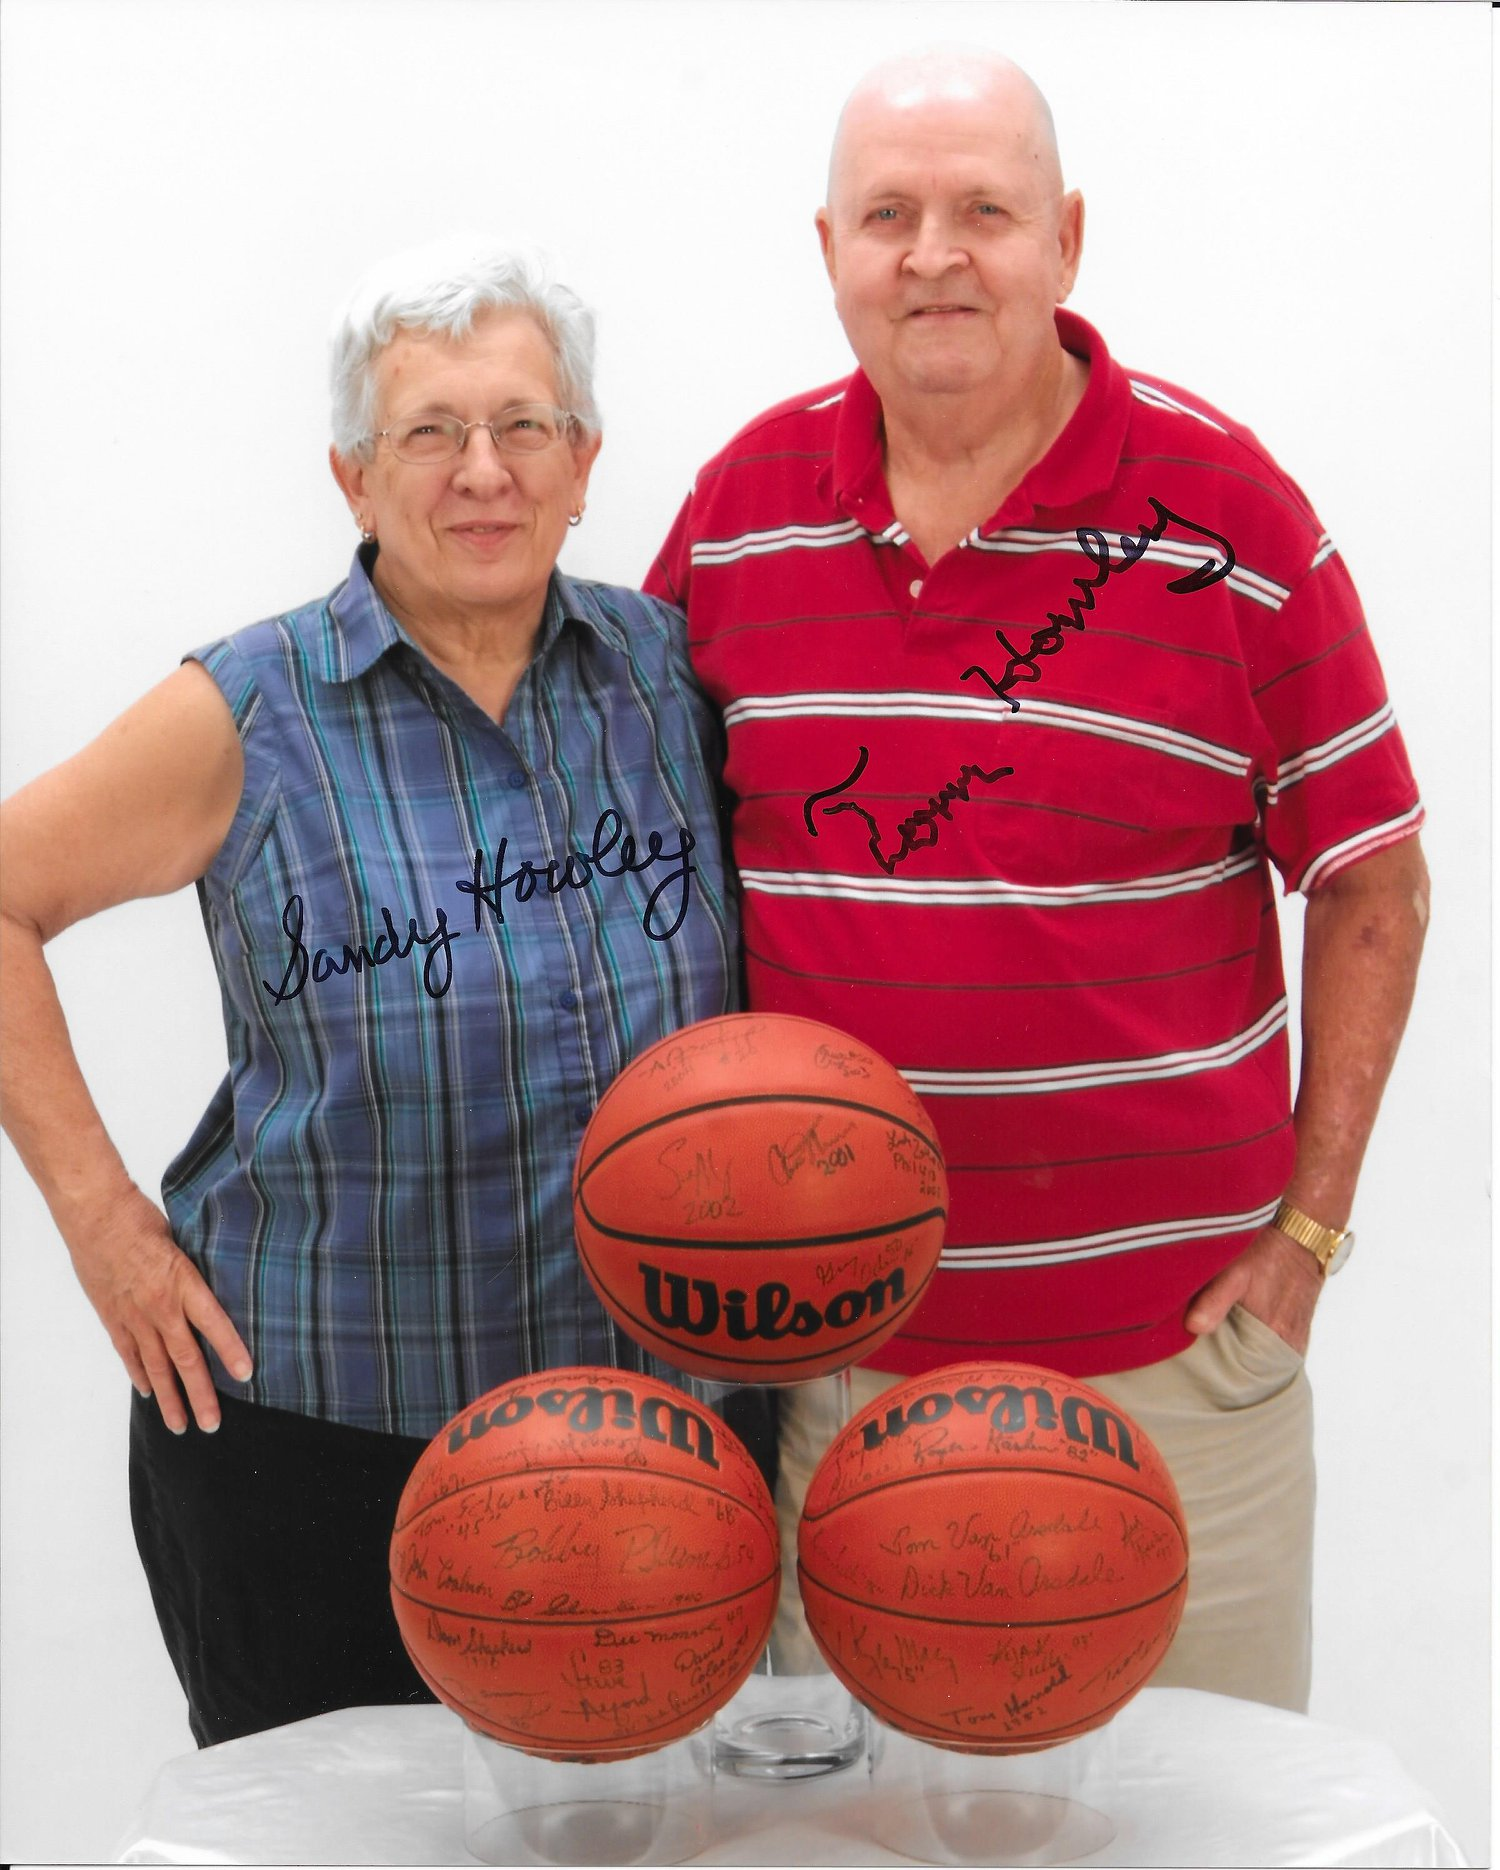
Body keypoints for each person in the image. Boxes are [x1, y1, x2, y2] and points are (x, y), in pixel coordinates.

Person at [645, 50, 1429, 1712]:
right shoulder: (735, 521)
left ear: (1067, 238)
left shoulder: (1232, 516)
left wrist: (1308, 1237)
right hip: (843, 1375)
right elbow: (644, 848)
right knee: (854, 1840)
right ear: (829, 249)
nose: (936, 254)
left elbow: (1375, 879)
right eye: (890, 216)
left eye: (985, 211)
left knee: (1201, 1830)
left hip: (1169, 1377)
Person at [0, 239, 746, 1746]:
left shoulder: (674, 678)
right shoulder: (250, 710)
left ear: (584, 458)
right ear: (352, 475)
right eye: (429, 431)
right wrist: (102, 1228)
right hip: (320, 1449)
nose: (483, 470)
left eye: (523, 425)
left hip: (655, 1442)